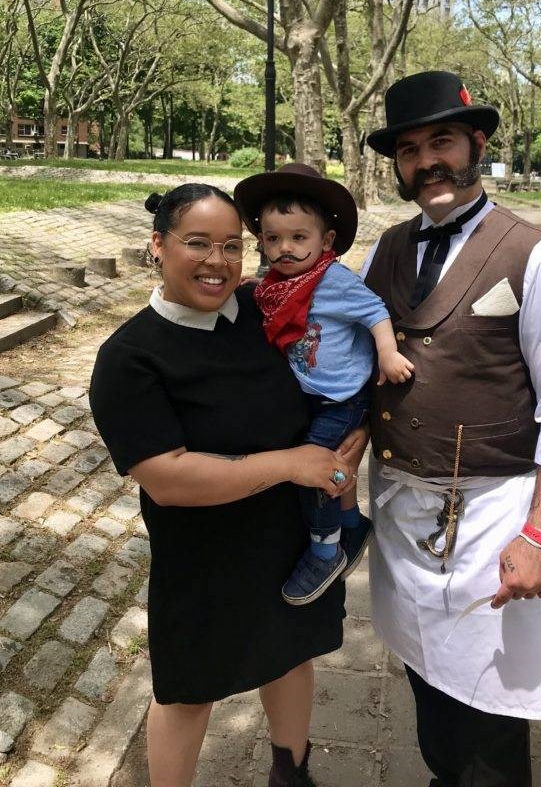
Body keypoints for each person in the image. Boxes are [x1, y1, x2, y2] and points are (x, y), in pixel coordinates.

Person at [354, 71, 541, 787]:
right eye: (409, 150)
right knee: (425, 673)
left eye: (442, 141)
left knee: (490, 708)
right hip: (403, 512)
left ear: (477, 144)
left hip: (494, 517)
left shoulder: (539, 258)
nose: (427, 161)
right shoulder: (385, 251)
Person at [89, 183, 358, 787]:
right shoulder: (130, 358)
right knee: (188, 690)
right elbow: (169, 479)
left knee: (291, 653)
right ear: (158, 245)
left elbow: (335, 368)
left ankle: (291, 772)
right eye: (197, 243)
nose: (218, 261)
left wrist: (352, 434)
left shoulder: (265, 312)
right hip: (204, 556)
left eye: (232, 246)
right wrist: (294, 463)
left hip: (290, 542)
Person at [234, 164, 413, 606]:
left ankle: (325, 550)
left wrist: (388, 354)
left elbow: (375, 311)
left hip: (341, 398)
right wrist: (256, 286)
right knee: (330, 460)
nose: (285, 249)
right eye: (273, 239)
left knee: (315, 471)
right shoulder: (279, 285)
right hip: (311, 393)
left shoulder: (333, 280)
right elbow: (273, 302)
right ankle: (352, 526)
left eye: (299, 238)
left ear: (326, 241)